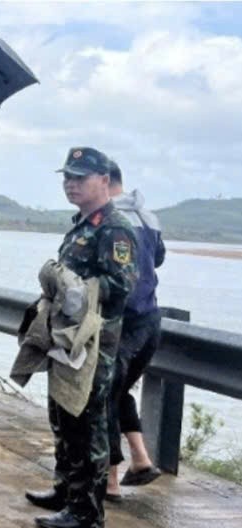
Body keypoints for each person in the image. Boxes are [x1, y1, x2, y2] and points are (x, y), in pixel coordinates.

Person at [25, 147, 138, 528]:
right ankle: (66, 490)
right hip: (67, 336)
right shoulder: (82, 224)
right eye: (67, 177)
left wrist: (76, 288)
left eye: (79, 177)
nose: (70, 184)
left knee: (87, 422)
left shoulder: (114, 228)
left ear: (104, 181)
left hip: (94, 343)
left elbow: (122, 284)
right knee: (62, 414)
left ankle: (88, 511)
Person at [106, 160, 164, 496]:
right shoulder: (148, 215)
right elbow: (158, 259)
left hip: (124, 323)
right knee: (119, 390)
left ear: (104, 181)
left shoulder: (110, 218)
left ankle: (110, 482)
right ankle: (141, 460)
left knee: (104, 395)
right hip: (151, 319)